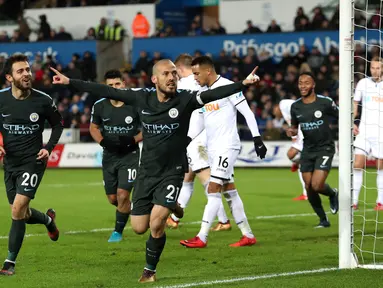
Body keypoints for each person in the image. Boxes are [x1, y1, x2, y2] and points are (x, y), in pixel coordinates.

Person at [49, 60, 260, 283]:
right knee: (139, 227)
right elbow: (105, 90)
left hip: (173, 170)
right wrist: (69, 81)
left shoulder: (185, 99)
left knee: (156, 224)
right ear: (154, 79)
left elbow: (214, 95)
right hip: (147, 172)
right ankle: (174, 205)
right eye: (166, 74)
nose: (172, 77)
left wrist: (242, 84)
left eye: (174, 74)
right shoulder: (142, 98)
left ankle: (149, 270)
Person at [180, 56, 267, 248]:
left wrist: (257, 138)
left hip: (227, 146)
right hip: (213, 148)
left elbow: (247, 113)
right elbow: (200, 121)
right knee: (230, 191)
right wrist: (186, 140)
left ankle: (201, 237)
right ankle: (248, 235)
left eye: (196, 73)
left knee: (213, 188)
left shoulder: (228, 86)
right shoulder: (203, 91)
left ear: (207, 71)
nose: (194, 78)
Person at [0, 54, 63, 276]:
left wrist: (50, 147)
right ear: (9, 77)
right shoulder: (1, 99)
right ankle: (48, 220)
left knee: (17, 211)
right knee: (22, 213)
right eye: (20, 71)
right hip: (10, 163)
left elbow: (58, 125)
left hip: (33, 161)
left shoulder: (43, 100)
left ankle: (9, 263)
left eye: (27, 69)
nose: (26, 74)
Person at [167, 54, 231, 231]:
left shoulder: (185, 84)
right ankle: (173, 218)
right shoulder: (202, 82)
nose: (173, 77)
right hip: (200, 138)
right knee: (187, 179)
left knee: (208, 181)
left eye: (174, 73)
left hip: (196, 141)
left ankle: (224, 221)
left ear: (179, 69)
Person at [90, 70, 143, 243]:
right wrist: (103, 142)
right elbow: (93, 128)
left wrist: (133, 140)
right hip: (109, 156)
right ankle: (134, 208)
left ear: (123, 84)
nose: (114, 88)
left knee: (122, 194)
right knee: (113, 198)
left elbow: (147, 127)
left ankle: (117, 232)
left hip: (130, 155)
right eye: (110, 85)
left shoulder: (134, 104)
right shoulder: (99, 105)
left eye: (117, 84)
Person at [287, 72, 339, 228]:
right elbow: (295, 127)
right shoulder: (295, 106)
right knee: (309, 186)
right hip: (308, 149)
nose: (303, 86)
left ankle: (332, 193)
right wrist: (292, 131)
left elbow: (342, 116)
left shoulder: (325, 102)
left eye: (306, 83)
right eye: (300, 82)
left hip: (325, 148)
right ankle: (323, 220)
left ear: (313, 85)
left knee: (317, 185)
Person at [353, 57, 383, 210]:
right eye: (373, 68)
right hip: (364, 130)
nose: (375, 70)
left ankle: (380, 202)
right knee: (357, 164)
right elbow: (355, 103)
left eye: (378, 68)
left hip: (381, 132)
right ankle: (354, 201)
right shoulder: (363, 83)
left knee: (381, 166)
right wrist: (353, 122)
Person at [277, 99, 307, 201]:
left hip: (305, 132)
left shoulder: (283, 105)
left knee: (291, 155)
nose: (275, 114)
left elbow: (292, 124)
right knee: (297, 161)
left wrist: (294, 139)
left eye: (275, 112)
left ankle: (296, 162)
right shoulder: (287, 111)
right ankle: (306, 193)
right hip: (302, 132)